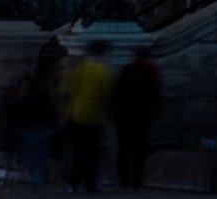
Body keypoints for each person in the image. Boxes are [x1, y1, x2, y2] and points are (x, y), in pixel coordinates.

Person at [57, 41, 115, 189]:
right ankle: (90, 182)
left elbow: (65, 92)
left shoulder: (79, 69)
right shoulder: (103, 71)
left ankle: (74, 181)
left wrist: (65, 113)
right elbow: (107, 95)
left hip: (75, 115)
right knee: (91, 152)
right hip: (93, 117)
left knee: (77, 150)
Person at [105, 46, 161, 187]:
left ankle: (123, 179)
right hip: (143, 114)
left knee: (124, 148)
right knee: (139, 149)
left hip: (125, 114)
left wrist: (111, 109)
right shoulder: (151, 71)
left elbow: (116, 91)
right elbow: (156, 93)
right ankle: (137, 180)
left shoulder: (127, 70)